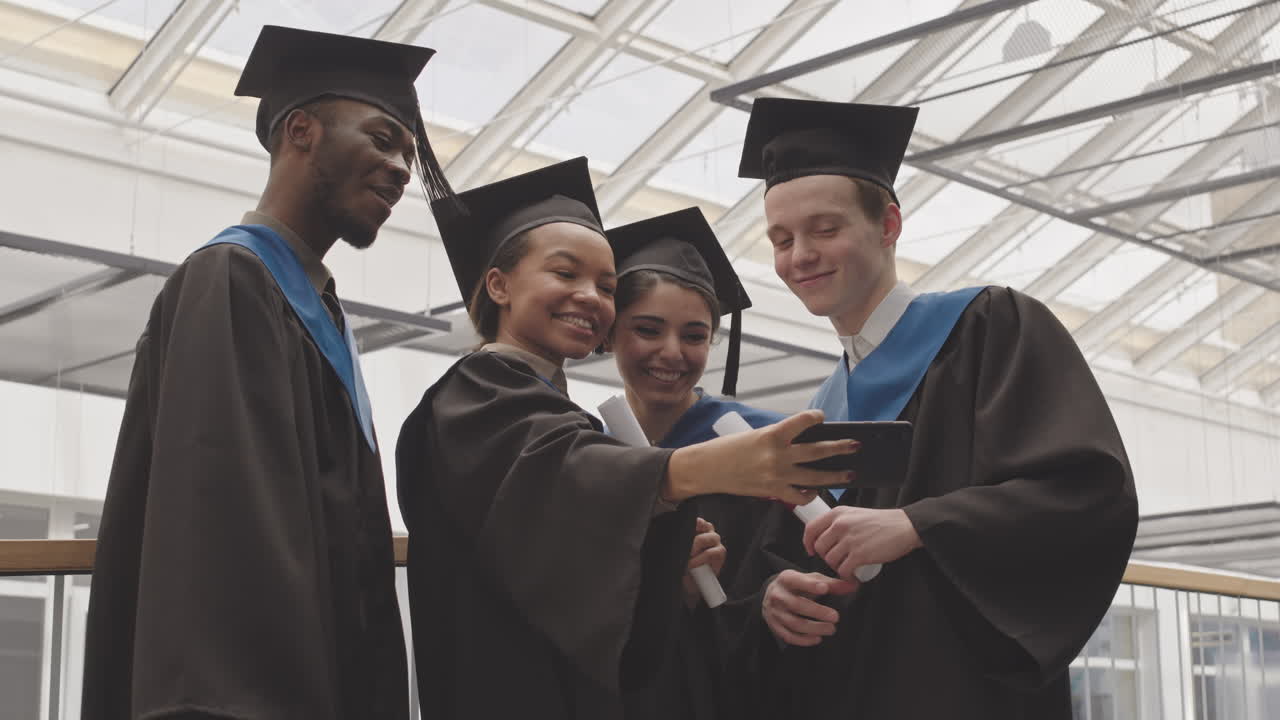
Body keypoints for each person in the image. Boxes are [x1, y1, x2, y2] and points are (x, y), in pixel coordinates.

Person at [81, 25, 455, 720]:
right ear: (301, 131)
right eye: (381, 138)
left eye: (408, 152)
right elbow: (218, 546)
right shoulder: (232, 281)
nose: (404, 168)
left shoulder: (316, 306)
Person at [395, 158, 855, 720]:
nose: (589, 296)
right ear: (499, 284)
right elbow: (566, 474)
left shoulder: (553, 411)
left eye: (605, 286)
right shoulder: (480, 393)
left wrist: (663, 569)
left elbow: (560, 569)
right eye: (565, 274)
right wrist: (697, 471)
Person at [724, 98, 1139, 718]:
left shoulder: (991, 329)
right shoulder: (821, 407)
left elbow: (1087, 493)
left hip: (965, 690)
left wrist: (920, 525)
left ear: (889, 225)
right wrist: (775, 593)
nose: (798, 256)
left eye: (825, 229)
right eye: (781, 239)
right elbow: (790, 551)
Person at [604, 207, 785, 719]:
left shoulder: (758, 442)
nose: (671, 352)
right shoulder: (590, 456)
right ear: (610, 330)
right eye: (647, 329)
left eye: (694, 335)